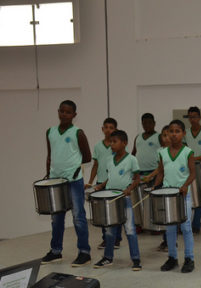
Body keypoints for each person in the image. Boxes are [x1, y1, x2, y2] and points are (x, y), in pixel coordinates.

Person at [41, 100, 92, 267]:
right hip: (56, 181)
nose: (64, 114)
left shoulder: (78, 133)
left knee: (78, 217)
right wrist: (49, 174)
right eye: (61, 111)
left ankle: (84, 252)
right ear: (58, 112)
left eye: (68, 112)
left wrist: (73, 168)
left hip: (73, 180)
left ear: (74, 115)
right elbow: (50, 156)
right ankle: (56, 251)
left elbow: (87, 157)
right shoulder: (50, 132)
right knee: (56, 219)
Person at [93, 130, 142, 271]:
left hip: (124, 199)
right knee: (109, 231)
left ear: (124, 143)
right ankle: (108, 257)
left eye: (115, 142)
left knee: (130, 230)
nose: (111, 145)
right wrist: (101, 185)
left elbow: (137, 178)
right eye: (110, 142)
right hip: (111, 199)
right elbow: (111, 177)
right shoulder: (109, 160)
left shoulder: (132, 159)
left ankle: (136, 259)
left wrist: (129, 188)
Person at [155, 120, 196, 273]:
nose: (174, 134)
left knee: (186, 228)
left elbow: (192, 173)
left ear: (183, 134)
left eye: (177, 131)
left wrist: (185, 185)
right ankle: (172, 258)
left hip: (182, 196)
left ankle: (189, 258)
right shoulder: (162, 153)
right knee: (170, 228)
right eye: (171, 131)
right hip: (168, 196)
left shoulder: (188, 152)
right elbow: (161, 172)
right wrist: (155, 186)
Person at [86, 117, 122, 250]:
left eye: (111, 127)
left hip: (113, 183)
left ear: (116, 130)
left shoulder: (117, 146)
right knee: (102, 213)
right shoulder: (97, 146)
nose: (108, 130)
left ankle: (116, 239)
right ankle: (106, 239)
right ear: (102, 129)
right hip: (100, 182)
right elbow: (95, 165)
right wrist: (90, 182)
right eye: (106, 127)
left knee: (115, 212)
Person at [183, 106, 201, 234]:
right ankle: (185, 223)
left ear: (199, 118)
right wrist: (189, 159)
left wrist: (193, 158)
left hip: (200, 167)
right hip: (185, 168)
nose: (192, 119)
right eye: (190, 117)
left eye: (195, 116)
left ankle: (196, 225)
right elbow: (182, 151)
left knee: (198, 196)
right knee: (186, 194)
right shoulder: (185, 133)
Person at [142, 124, 171, 252]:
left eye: (168, 135)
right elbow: (160, 169)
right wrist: (151, 178)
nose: (166, 138)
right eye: (164, 135)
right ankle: (166, 240)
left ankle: (171, 241)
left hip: (172, 185)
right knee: (163, 213)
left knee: (171, 216)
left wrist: (150, 175)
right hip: (161, 184)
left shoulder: (177, 150)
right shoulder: (160, 151)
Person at [132, 113, 161, 234]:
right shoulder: (138, 137)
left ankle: (154, 225)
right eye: (144, 123)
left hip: (154, 173)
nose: (147, 125)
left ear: (154, 123)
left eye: (149, 123)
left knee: (153, 201)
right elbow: (133, 153)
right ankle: (140, 224)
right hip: (140, 173)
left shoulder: (159, 137)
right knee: (138, 201)